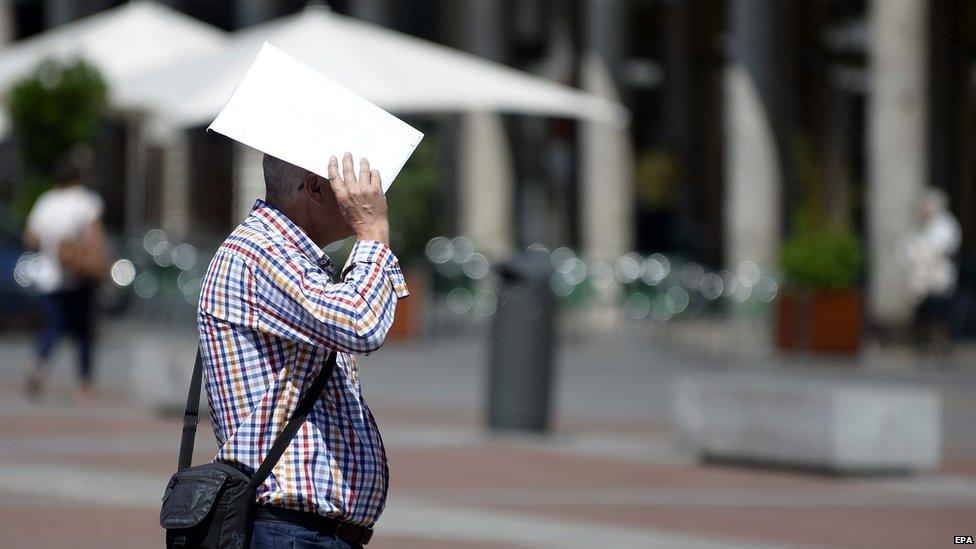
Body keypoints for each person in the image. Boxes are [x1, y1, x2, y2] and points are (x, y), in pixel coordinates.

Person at [198, 152, 407, 548]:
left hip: (303, 530)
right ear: (314, 188)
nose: (369, 193)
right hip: (287, 529)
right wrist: (373, 232)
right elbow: (361, 323)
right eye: (352, 182)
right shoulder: (260, 251)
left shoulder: (291, 257)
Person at [23, 149, 106, 400]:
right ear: (80, 177)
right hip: (79, 277)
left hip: (49, 276)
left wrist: (52, 244)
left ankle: (38, 363)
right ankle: (84, 383)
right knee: (83, 332)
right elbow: (95, 238)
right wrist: (96, 262)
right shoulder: (86, 201)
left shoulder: (46, 202)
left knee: (54, 326)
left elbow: (31, 237)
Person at [904, 187, 962, 364]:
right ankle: (926, 346)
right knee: (926, 313)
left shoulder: (946, 224)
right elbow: (911, 249)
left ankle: (939, 347)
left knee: (940, 314)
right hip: (923, 280)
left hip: (939, 278)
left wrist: (926, 254)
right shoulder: (923, 225)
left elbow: (944, 248)